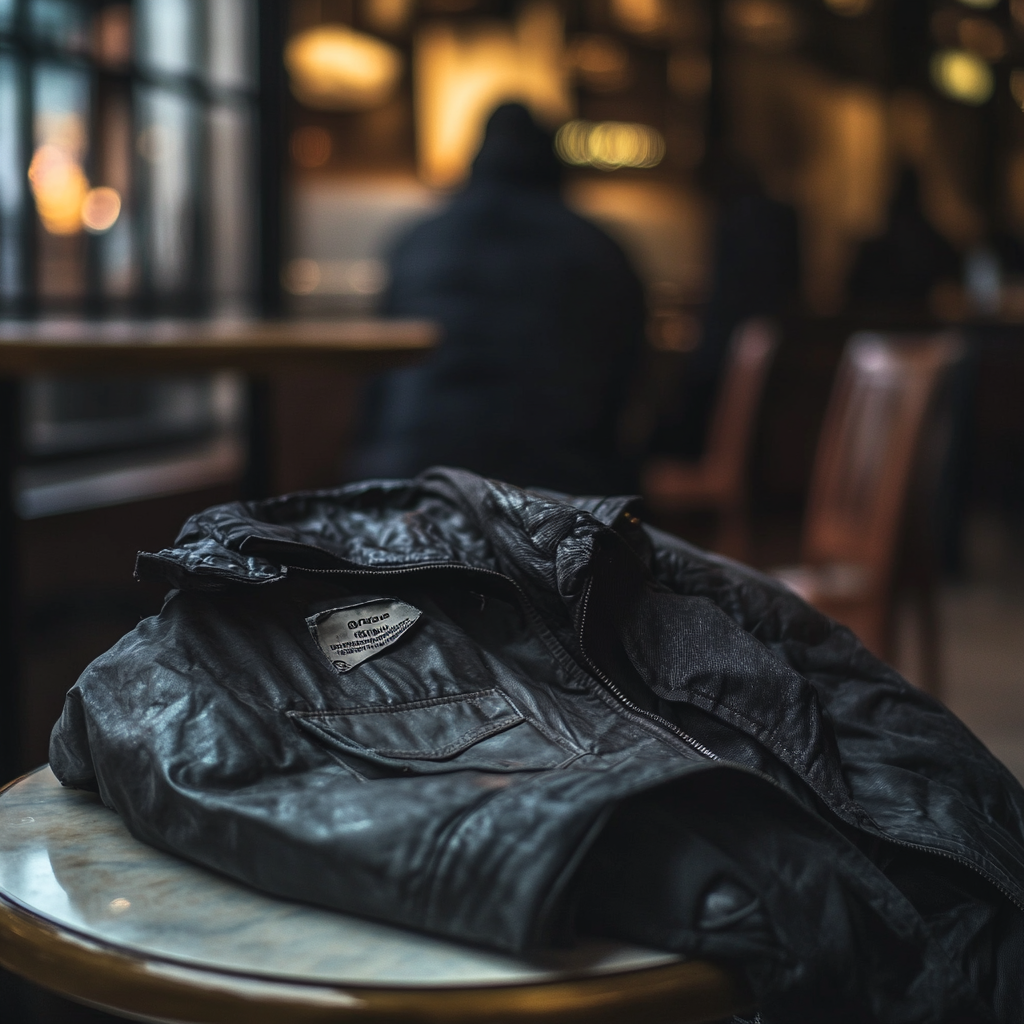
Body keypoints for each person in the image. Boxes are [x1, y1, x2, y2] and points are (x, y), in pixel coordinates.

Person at [349, 103, 646, 495]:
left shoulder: (418, 240)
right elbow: (629, 381)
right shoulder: (599, 248)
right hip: (562, 485)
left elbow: (379, 382)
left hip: (413, 477)